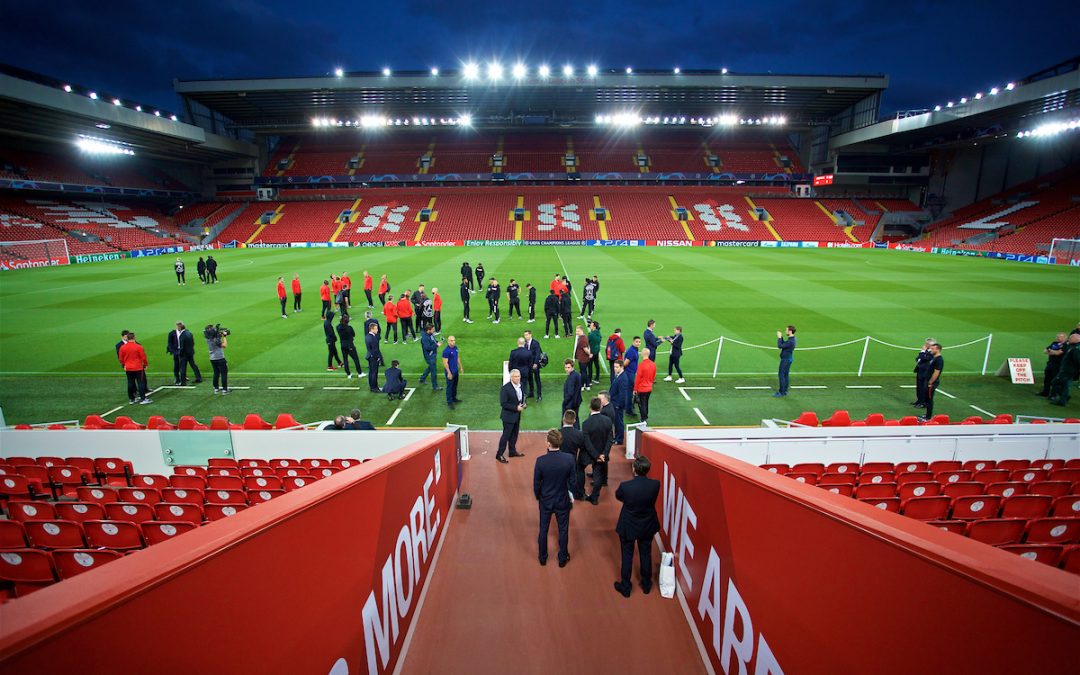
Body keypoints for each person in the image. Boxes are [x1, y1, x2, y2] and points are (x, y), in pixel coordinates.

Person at [613, 454, 661, 598]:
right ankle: (646, 584)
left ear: (634, 469)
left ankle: (626, 587)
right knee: (645, 553)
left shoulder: (626, 487)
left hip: (629, 525)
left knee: (627, 555)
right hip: (647, 524)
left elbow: (619, 496)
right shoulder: (655, 485)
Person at [534, 428, 575, 567]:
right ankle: (563, 558)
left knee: (543, 529)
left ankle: (543, 557)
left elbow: (536, 483)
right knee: (563, 529)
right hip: (562, 499)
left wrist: (539, 496)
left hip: (546, 500)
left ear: (548, 443)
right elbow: (573, 481)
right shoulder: (569, 459)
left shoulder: (540, 461)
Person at [582, 396, 614, 504]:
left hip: (592, 455)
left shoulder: (586, 423)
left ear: (590, 407)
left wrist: (596, 456)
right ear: (600, 407)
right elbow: (610, 439)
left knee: (595, 474)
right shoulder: (608, 421)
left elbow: (587, 443)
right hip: (603, 453)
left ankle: (594, 497)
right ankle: (601, 484)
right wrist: (604, 454)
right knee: (600, 471)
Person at [497, 369, 527, 463]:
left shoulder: (520, 386)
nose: (518, 378)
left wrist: (523, 404)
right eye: (516, 376)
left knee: (514, 434)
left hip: (517, 416)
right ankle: (499, 454)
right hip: (508, 417)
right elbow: (503, 403)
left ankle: (512, 451)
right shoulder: (505, 388)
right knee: (506, 436)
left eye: (519, 376)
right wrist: (516, 408)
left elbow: (521, 398)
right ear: (511, 377)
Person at [558, 410, 587, 499]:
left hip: (559, 461)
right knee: (579, 473)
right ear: (574, 420)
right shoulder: (579, 434)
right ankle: (580, 494)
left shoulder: (557, 433)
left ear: (563, 419)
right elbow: (583, 448)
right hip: (572, 460)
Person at [118, 332, 152, 404]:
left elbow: (120, 358)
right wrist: (146, 365)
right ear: (134, 338)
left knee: (130, 383)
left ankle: (132, 399)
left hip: (128, 368)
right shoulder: (138, 347)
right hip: (138, 368)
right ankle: (143, 399)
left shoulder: (122, 347)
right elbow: (143, 357)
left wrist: (124, 365)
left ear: (127, 338)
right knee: (140, 383)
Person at [167, 322, 201, 386]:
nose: (176, 328)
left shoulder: (182, 335)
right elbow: (193, 343)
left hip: (183, 354)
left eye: (177, 327)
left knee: (182, 367)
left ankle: (183, 382)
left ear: (180, 327)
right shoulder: (189, 333)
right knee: (193, 365)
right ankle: (199, 378)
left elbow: (182, 347)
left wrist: (180, 353)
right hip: (190, 352)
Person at [1049, 334, 1080, 406]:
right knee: (1065, 385)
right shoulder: (1073, 346)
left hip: (1068, 370)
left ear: (1076, 339)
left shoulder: (1076, 349)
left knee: (1055, 382)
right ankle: (1063, 400)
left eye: (1071, 338)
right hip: (1067, 370)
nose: (1069, 338)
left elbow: (1078, 360)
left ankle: (1065, 397)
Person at [918, 342, 943, 421]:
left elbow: (936, 372)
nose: (931, 350)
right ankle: (927, 415)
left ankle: (928, 417)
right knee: (927, 399)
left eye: (933, 349)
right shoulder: (934, 358)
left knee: (929, 400)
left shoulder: (939, 360)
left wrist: (930, 382)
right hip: (928, 381)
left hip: (931, 383)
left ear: (938, 349)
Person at [1037, 333, 1066, 397]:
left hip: (1058, 365)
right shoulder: (1054, 343)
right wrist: (1053, 352)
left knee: (1055, 380)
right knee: (1047, 378)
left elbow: (1058, 353)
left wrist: (1051, 351)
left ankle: (1054, 395)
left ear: (1064, 338)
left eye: (1059, 337)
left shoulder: (1066, 344)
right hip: (1050, 363)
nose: (1057, 338)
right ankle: (1045, 392)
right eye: (1057, 337)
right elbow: (1045, 351)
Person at [608, 361, 629, 444]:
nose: (615, 369)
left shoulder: (623, 378)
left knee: (618, 422)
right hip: (615, 402)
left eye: (617, 367)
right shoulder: (619, 375)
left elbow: (623, 394)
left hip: (617, 404)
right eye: (614, 367)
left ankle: (619, 439)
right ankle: (617, 437)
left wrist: (618, 405)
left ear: (622, 367)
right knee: (616, 421)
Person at [337, 315, 363, 379]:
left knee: (345, 360)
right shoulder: (349, 328)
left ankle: (348, 374)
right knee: (355, 359)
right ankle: (359, 373)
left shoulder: (338, 327)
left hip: (343, 345)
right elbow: (353, 334)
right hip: (350, 345)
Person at [205, 325, 229, 394]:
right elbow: (224, 345)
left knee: (216, 373)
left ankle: (216, 388)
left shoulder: (207, 338)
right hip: (220, 358)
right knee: (224, 373)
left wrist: (219, 334)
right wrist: (224, 337)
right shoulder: (216, 339)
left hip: (212, 359)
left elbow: (215, 336)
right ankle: (225, 390)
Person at [634, 348, 656, 423]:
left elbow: (638, 378)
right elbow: (653, 376)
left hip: (642, 388)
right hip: (649, 388)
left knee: (641, 404)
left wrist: (635, 389)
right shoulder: (653, 364)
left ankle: (643, 419)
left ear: (643, 354)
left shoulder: (641, 365)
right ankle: (645, 416)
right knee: (646, 402)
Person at [774, 325, 797, 398]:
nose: (785, 331)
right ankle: (785, 390)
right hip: (788, 359)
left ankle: (782, 392)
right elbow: (784, 345)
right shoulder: (792, 339)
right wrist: (782, 338)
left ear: (790, 331)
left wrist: (779, 337)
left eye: (787, 330)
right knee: (785, 375)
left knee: (781, 375)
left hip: (785, 360)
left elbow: (780, 346)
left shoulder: (791, 341)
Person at [418, 324, 442, 391]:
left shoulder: (430, 334)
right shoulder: (425, 338)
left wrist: (437, 342)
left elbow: (433, 340)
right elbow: (427, 347)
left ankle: (422, 379)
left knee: (430, 368)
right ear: (428, 330)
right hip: (429, 356)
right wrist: (436, 345)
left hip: (433, 354)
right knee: (433, 371)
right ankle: (435, 386)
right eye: (433, 329)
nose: (434, 331)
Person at [913, 338, 934, 408]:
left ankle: (923, 402)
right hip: (920, 370)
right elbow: (918, 358)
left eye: (927, 344)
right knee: (919, 387)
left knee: (923, 387)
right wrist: (922, 354)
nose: (925, 345)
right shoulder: (926, 351)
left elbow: (924, 358)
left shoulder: (932, 352)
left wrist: (922, 351)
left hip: (925, 372)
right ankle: (919, 400)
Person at [443, 335, 463, 409]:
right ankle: (449, 402)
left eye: (454, 340)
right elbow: (445, 363)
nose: (453, 342)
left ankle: (454, 398)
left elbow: (457, 357)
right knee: (449, 387)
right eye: (451, 341)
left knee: (454, 385)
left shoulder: (455, 348)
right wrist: (449, 372)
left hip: (455, 371)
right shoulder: (446, 351)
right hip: (450, 372)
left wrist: (460, 367)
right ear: (448, 341)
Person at [562, 359, 583, 429]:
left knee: (569, 420)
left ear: (572, 367)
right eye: (565, 367)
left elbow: (570, 393)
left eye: (568, 367)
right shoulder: (577, 375)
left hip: (571, 403)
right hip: (576, 401)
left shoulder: (571, 377)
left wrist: (565, 402)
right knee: (575, 418)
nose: (567, 369)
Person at [624, 336, 641, 416]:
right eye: (636, 341)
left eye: (639, 342)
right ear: (633, 342)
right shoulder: (631, 351)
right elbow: (626, 363)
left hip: (631, 372)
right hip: (629, 373)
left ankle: (628, 406)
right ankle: (628, 409)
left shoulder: (634, 350)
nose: (638, 343)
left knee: (629, 391)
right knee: (629, 392)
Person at [524, 330, 543, 400]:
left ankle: (539, 395)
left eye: (526, 335)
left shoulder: (535, 343)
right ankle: (531, 393)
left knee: (537, 379)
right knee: (530, 379)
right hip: (528, 364)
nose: (525, 336)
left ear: (530, 335)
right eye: (525, 335)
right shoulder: (525, 343)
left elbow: (538, 354)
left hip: (535, 365)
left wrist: (535, 363)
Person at [365, 322, 383, 393]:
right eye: (376, 328)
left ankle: (372, 386)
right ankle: (374, 387)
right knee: (374, 373)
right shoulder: (373, 338)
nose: (377, 330)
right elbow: (375, 349)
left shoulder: (367, 336)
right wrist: (378, 358)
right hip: (373, 357)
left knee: (371, 372)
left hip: (369, 356)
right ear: (372, 329)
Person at [573, 325, 592, 391]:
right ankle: (587, 385)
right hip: (584, 358)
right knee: (584, 372)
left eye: (578, 331)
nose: (577, 332)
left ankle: (582, 385)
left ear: (582, 331)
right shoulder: (583, 337)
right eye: (576, 331)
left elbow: (585, 349)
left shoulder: (582, 339)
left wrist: (590, 354)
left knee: (583, 372)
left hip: (583, 358)